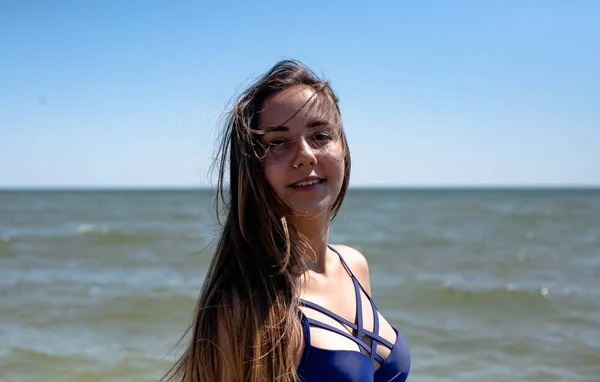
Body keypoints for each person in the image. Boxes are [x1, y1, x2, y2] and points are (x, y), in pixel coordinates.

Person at [163, 60, 411, 382]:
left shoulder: (354, 264)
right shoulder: (247, 307)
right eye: (278, 142)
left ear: (343, 149)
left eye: (320, 135)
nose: (305, 154)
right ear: (254, 167)